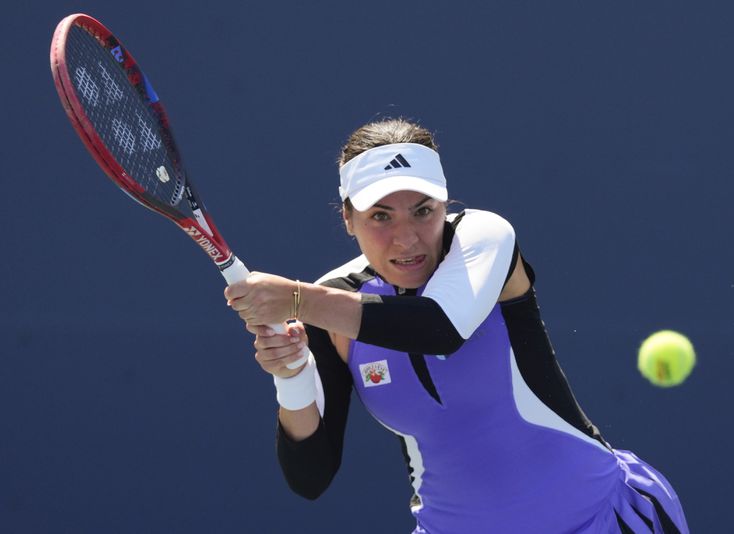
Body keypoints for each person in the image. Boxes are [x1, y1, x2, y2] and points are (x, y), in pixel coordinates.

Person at [225, 118, 690, 533]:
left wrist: (299, 299)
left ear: (445, 205)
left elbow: (438, 328)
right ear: (347, 218)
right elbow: (311, 477)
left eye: (423, 210)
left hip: (600, 520)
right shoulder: (333, 303)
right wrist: (290, 379)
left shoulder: (484, 238)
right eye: (380, 216)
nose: (406, 238)